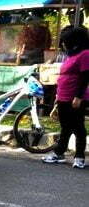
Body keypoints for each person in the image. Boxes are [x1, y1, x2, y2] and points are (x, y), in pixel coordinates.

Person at [42, 25, 89, 169]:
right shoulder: (71, 55)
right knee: (65, 127)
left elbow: (85, 76)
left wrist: (78, 96)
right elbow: (64, 77)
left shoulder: (85, 54)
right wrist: (57, 96)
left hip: (75, 98)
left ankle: (79, 156)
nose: (63, 44)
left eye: (65, 41)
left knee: (78, 127)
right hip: (63, 96)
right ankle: (59, 153)